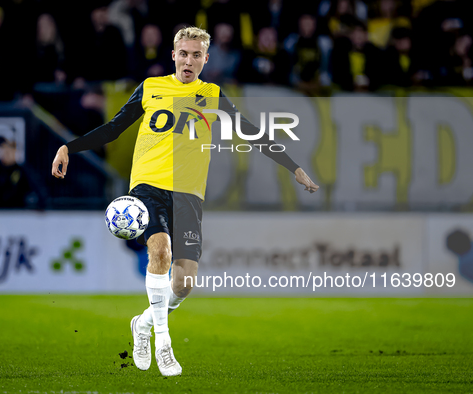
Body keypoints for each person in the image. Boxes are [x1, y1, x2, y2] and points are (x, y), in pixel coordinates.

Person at [51, 26, 319, 377]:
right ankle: (163, 343)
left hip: (189, 195)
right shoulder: (151, 88)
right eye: (184, 53)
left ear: (206, 59)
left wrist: (293, 166)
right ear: (173, 55)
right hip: (148, 187)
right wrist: (69, 146)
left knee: (184, 285)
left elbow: (250, 131)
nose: (189, 60)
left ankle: (143, 323)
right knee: (159, 251)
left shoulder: (213, 94)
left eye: (196, 55)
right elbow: (113, 128)